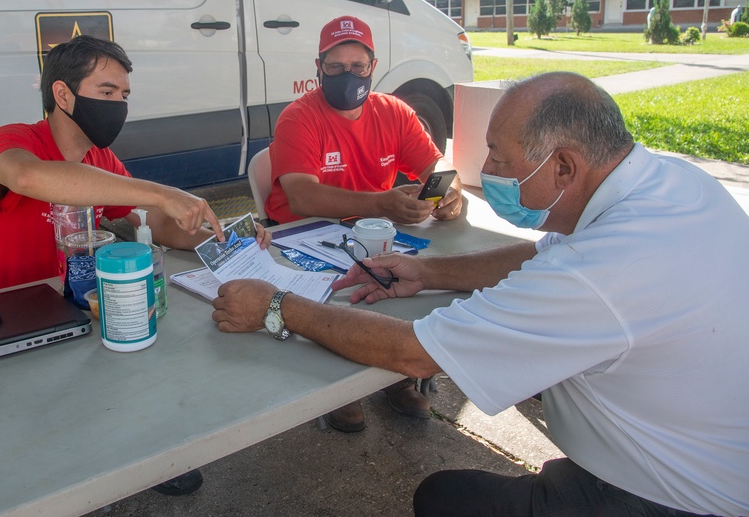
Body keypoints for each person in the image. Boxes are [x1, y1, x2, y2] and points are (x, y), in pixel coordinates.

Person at [212, 72, 749, 516]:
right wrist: (432, 272)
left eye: (499, 158)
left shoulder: (601, 271)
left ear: (563, 165)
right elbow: (548, 255)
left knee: (444, 499)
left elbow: (416, 352)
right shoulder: (673, 181)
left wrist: (278, 306)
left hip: (666, 498)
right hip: (716, 458)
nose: (485, 172)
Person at [0, 35, 270, 497]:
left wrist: (222, 234)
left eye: (125, 96)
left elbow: (150, 221)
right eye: (107, 92)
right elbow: (29, 176)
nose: (118, 105)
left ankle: (139, 455)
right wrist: (162, 192)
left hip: (60, 316)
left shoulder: (100, 160)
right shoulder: (11, 141)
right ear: (62, 94)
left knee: (147, 334)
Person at [264, 15, 463, 432]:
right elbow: (301, 196)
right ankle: (341, 387)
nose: (347, 76)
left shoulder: (395, 112)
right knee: (336, 297)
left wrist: (449, 192)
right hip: (301, 236)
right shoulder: (299, 118)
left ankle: (396, 374)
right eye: (335, 67)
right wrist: (381, 205)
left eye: (358, 66)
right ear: (318, 67)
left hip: (374, 231)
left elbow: (437, 164)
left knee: (409, 285)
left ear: (373, 66)